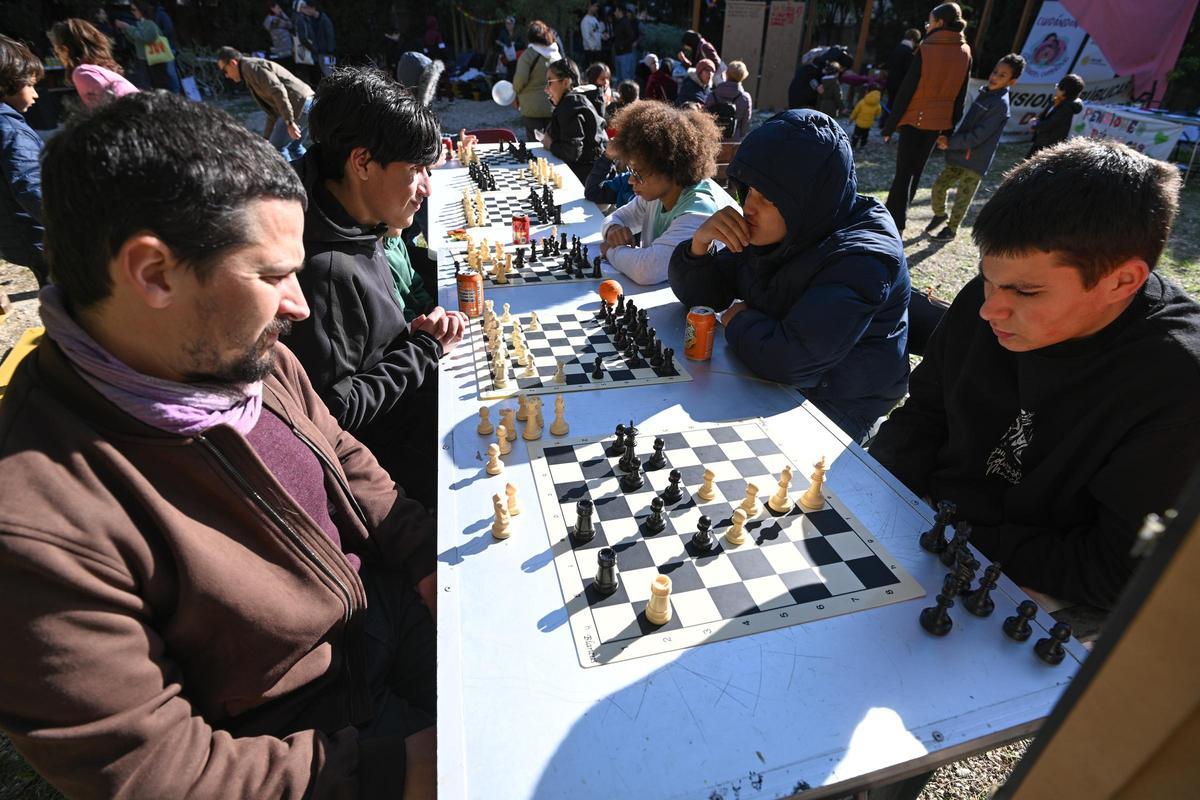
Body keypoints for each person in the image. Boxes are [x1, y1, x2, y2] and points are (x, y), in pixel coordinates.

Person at [0, 90, 437, 799]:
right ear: (153, 273)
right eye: (272, 276)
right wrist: (406, 772)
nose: (297, 305)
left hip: (386, 620)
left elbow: (346, 458)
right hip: (302, 749)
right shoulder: (36, 527)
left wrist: (423, 557)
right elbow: (154, 772)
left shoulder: (239, 351)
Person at [870, 138, 1200, 610]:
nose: (990, 310)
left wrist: (951, 535)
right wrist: (869, 496)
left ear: (1122, 280)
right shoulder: (989, 298)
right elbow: (924, 412)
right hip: (924, 526)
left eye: (1026, 292)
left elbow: (1120, 569)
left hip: (1031, 587)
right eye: (987, 278)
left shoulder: (1179, 384)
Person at [668, 110, 910, 442]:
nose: (748, 207)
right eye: (748, 190)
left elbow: (793, 360)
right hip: (774, 372)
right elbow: (707, 297)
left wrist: (738, 319)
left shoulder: (863, 257)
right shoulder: (782, 227)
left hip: (841, 399)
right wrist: (698, 248)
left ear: (806, 203)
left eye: (766, 198)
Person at [284, 68, 465, 510]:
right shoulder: (322, 269)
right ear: (362, 163)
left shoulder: (358, 216)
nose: (426, 187)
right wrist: (421, 349)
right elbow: (333, 414)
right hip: (392, 479)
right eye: (416, 170)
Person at [601, 102, 738, 286]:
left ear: (670, 169)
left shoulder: (699, 210)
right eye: (631, 171)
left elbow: (647, 270)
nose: (631, 181)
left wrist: (610, 251)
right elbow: (616, 217)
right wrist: (613, 230)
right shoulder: (656, 195)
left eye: (638, 173)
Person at [881, 2, 972, 234]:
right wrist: (948, 132)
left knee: (903, 173)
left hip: (914, 118)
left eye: (929, 21)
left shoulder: (927, 47)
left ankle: (893, 223)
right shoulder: (965, 51)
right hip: (939, 122)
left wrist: (889, 126)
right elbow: (960, 96)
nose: (928, 26)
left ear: (940, 23)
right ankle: (895, 218)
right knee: (915, 171)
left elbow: (906, 90)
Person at [926, 54, 1025, 241]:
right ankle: (940, 215)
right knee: (939, 186)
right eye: (995, 71)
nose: (995, 77)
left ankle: (951, 229)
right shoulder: (985, 94)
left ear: (1012, 81)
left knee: (962, 201)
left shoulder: (1001, 105)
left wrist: (951, 142)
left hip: (975, 162)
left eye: (1002, 75)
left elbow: (979, 136)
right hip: (958, 155)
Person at [0, 35, 47, 287]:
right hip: (36, 233)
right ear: (7, 84)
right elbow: (31, 187)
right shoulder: (11, 130)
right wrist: (69, 227)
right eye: (30, 85)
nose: (36, 94)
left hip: (14, 234)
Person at [218, 46, 314, 163]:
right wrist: (266, 138)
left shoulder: (251, 68)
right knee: (294, 147)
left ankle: (294, 179)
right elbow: (273, 112)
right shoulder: (248, 70)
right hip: (306, 102)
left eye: (224, 70)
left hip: (299, 105)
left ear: (233, 63)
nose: (226, 76)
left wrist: (289, 122)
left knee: (277, 149)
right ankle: (312, 177)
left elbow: (278, 91)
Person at [542, 58, 608, 182]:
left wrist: (550, 145)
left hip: (587, 180)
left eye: (550, 82)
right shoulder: (574, 101)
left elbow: (572, 152)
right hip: (594, 173)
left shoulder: (570, 105)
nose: (546, 89)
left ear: (566, 82)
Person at [48, 19, 139, 109]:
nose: (57, 55)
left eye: (56, 49)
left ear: (65, 49)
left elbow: (106, 111)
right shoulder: (98, 69)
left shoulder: (83, 73)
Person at [513, 20, 562, 142]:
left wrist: (515, 93)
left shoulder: (528, 55)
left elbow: (520, 80)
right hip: (554, 105)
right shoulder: (556, 54)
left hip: (532, 108)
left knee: (535, 146)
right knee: (553, 143)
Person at [115, 0, 174, 91]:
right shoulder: (140, 23)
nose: (132, 12)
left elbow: (147, 38)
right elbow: (136, 40)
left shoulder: (150, 23)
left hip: (154, 60)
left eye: (134, 9)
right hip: (144, 60)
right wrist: (125, 30)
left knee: (159, 86)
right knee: (148, 86)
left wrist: (128, 27)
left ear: (141, 10)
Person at [1027, 73, 1084, 157]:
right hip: (1042, 140)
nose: (1056, 88)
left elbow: (1049, 124)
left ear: (1064, 91)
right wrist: (1036, 120)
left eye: (1058, 86)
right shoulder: (1058, 100)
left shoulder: (1065, 108)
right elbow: (1044, 115)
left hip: (1048, 145)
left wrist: (1034, 125)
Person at [705, 59, 752, 141]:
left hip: (713, 139)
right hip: (733, 140)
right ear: (743, 76)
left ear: (726, 74)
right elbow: (745, 124)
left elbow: (705, 118)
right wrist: (740, 135)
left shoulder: (712, 95)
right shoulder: (745, 98)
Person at [883, 28, 922, 126]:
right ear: (913, 39)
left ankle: (884, 121)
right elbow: (907, 69)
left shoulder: (898, 48)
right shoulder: (908, 52)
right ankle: (889, 123)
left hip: (891, 80)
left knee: (890, 102)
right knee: (896, 105)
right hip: (899, 82)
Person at [300, 0, 336, 78]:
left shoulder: (324, 20)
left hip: (327, 52)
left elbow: (330, 35)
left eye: (307, 8)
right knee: (325, 73)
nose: (306, 10)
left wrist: (330, 50)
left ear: (313, 8)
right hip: (319, 52)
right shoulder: (310, 20)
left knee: (330, 73)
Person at [263, 2, 296, 74]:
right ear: (272, 9)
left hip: (287, 50)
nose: (280, 9)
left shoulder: (280, 16)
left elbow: (290, 25)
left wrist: (282, 15)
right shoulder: (271, 20)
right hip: (279, 51)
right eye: (278, 8)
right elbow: (287, 24)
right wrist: (282, 17)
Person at [610, 4, 639, 82]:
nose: (614, 13)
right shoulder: (618, 22)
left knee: (626, 79)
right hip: (619, 53)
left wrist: (622, 45)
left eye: (616, 11)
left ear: (620, 11)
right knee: (620, 79)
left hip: (625, 54)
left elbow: (631, 36)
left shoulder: (625, 22)